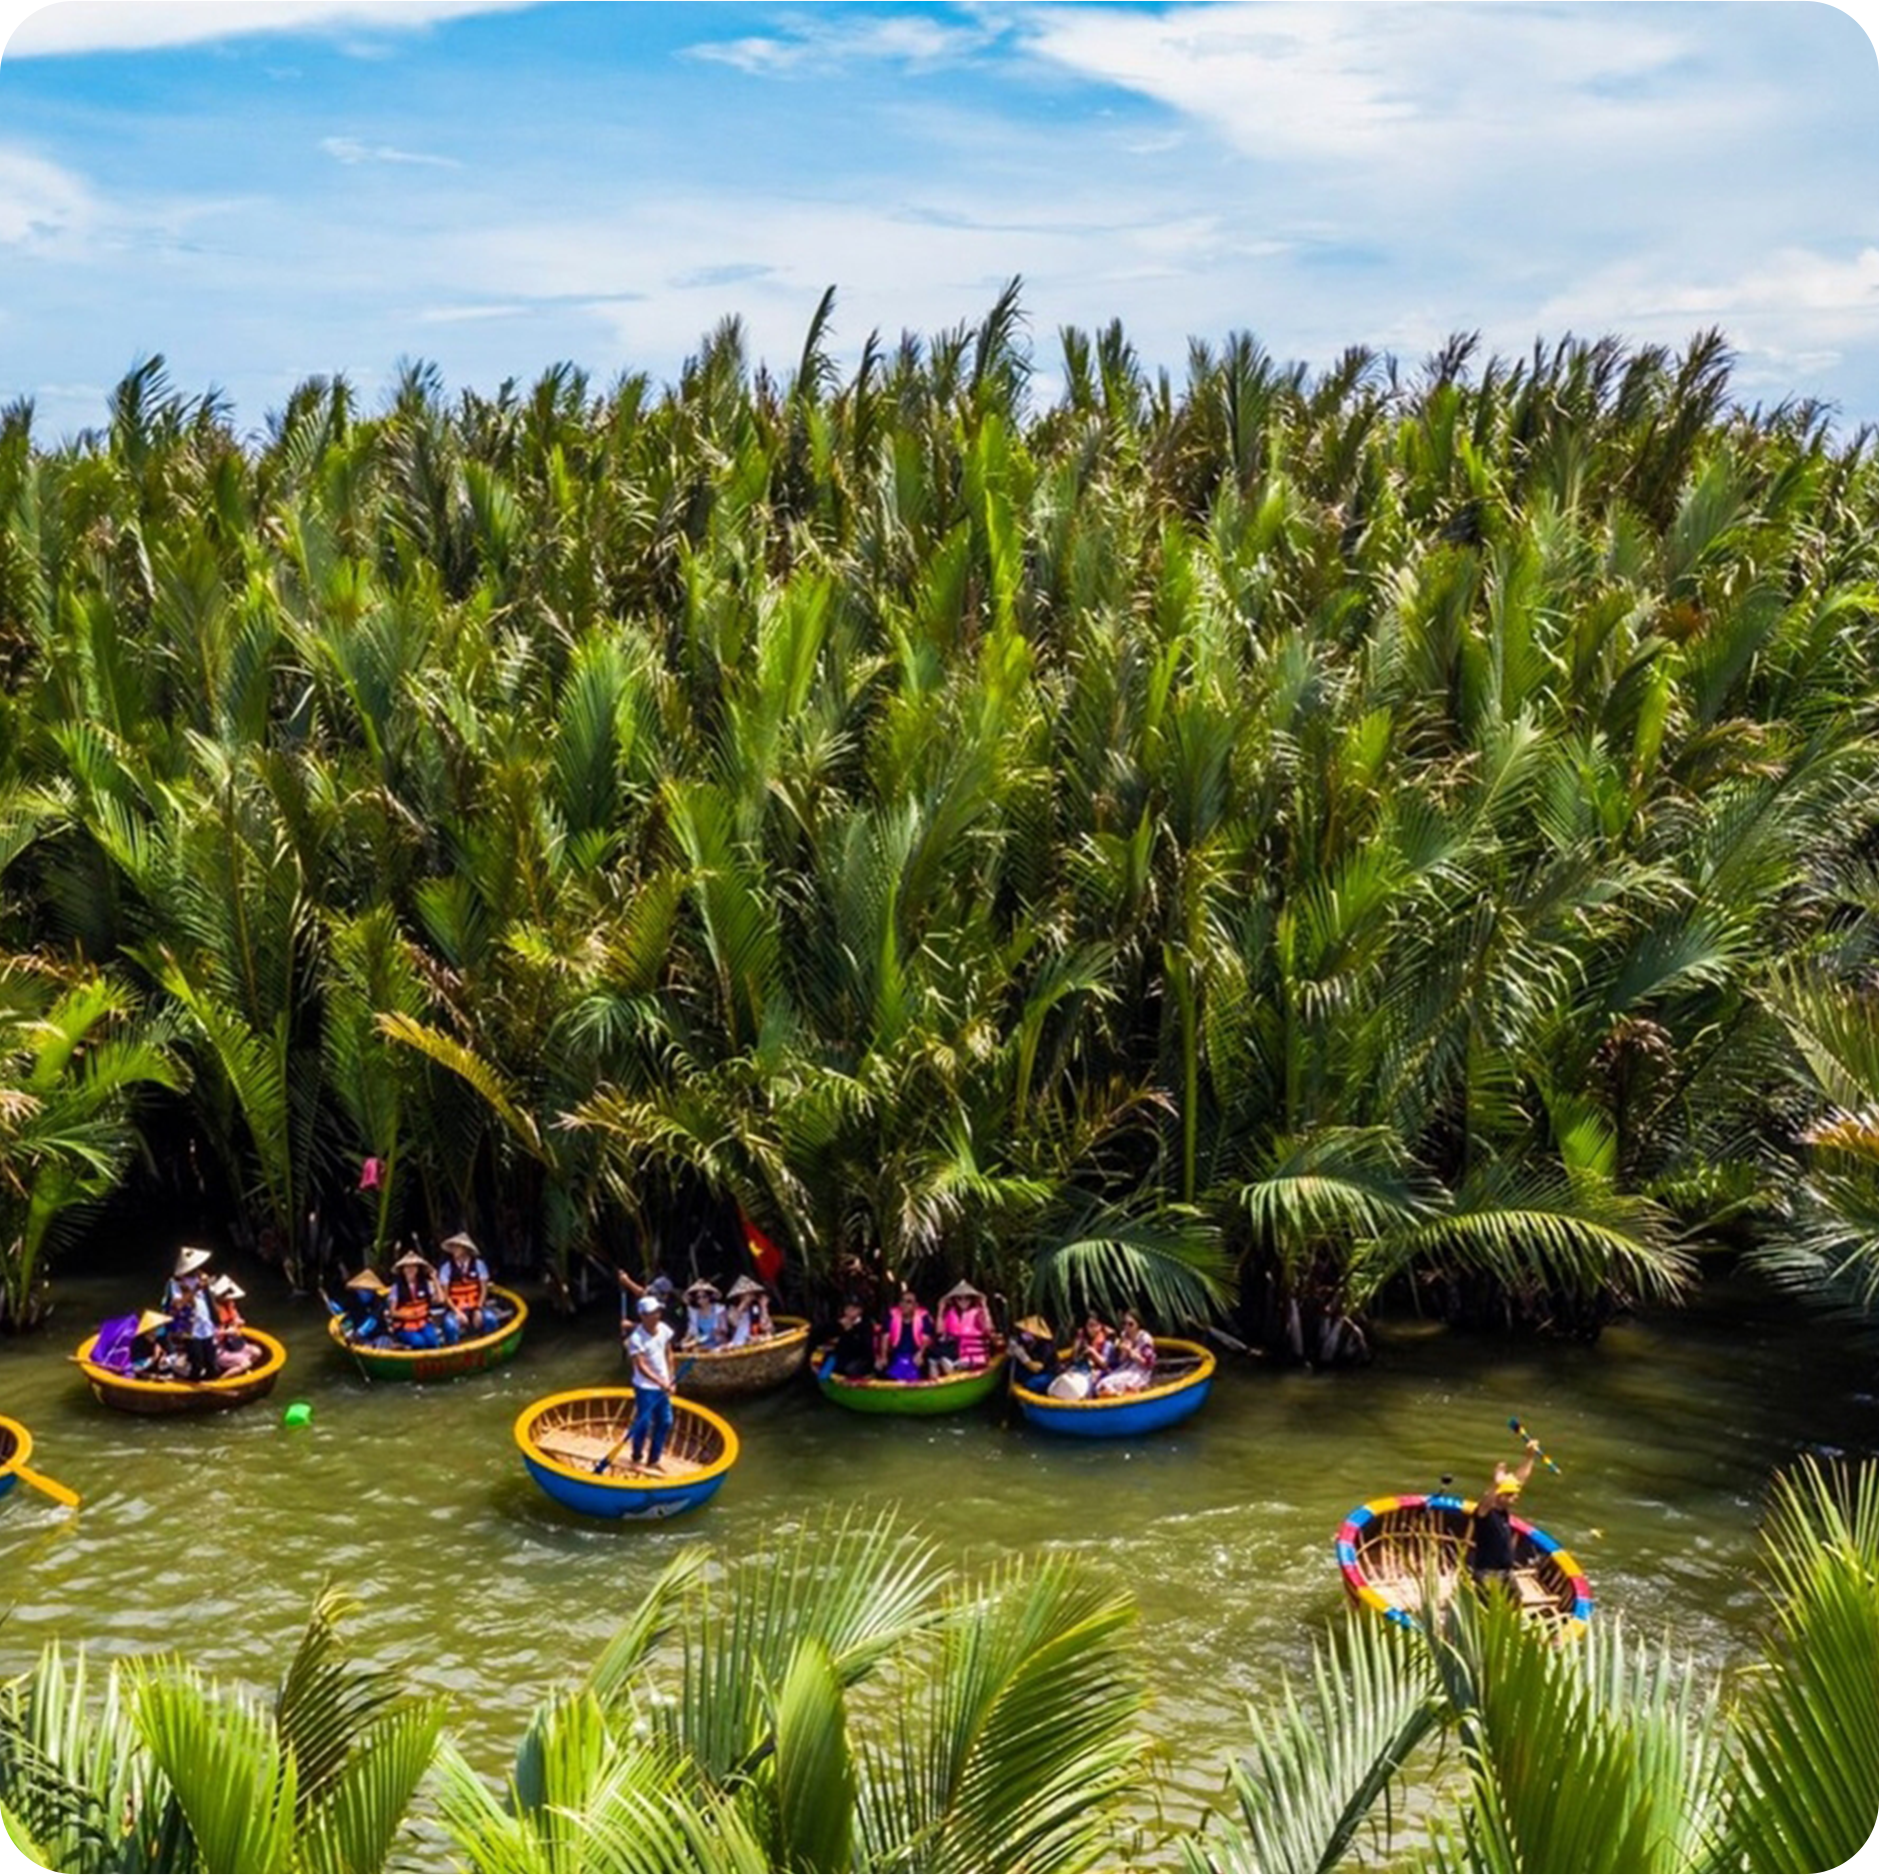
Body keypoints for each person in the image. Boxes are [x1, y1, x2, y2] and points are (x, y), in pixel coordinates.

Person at [1469, 1444, 1540, 1594]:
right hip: (1487, 1573)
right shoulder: (1485, 1514)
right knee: (1488, 1604)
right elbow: (1485, 1501)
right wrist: (1496, 1484)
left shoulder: (1503, 1511)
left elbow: (1520, 1479)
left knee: (1516, 1602)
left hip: (1506, 1571)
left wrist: (1529, 1457)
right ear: (1500, 1496)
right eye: (1511, 1495)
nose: (1516, 1497)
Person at [625, 1293, 678, 1471]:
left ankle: (654, 1459)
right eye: (652, 1313)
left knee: (666, 1421)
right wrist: (659, 1381)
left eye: (658, 1312)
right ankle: (636, 1456)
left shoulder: (663, 1329)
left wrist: (671, 1378)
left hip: (663, 1384)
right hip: (645, 1387)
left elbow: (668, 1353)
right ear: (643, 1316)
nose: (657, 1316)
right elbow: (641, 1366)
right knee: (644, 1422)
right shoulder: (636, 1338)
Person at [438, 1232, 500, 1337]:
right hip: (456, 1308)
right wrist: (458, 1312)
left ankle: (490, 1342)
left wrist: (478, 1309)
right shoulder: (446, 1268)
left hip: (476, 1305)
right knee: (450, 1326)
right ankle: (454, 1346)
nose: (454, 1250)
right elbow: (446, 1295)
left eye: (457, 1247)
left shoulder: (479, 1265)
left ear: (465, 1249)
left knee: (490, 1318)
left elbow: (484, 1290)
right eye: (453, 1247)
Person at [387, 1249, 452, 1350]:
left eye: (413, 1267)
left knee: (432, 1340)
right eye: (407, 1267)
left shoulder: (426, 1284)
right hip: (405, 1326)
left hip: (423, 1323)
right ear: (403, 1270)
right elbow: (392, 1312)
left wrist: (435, 1279)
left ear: (417, 1269)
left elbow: (441, 1299)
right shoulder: (396, 1288)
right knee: (419, 1341)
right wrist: (409, 1315)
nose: (410, 1270)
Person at [877, 1287, 934, 1382]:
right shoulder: (892, 1315)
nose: (904, 1304)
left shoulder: (923, 1317)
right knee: (882, 1368)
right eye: (902, 1301)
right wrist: (883, 1356)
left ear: (916, 1305)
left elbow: (927, 1339)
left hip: (916, 1354)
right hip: (895, 1353)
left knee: (921, 1367)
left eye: (909, 1302)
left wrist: (920, 1353)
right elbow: (885, 1337)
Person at [208, 1276, 261, 1376]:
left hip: (232, 1342)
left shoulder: (229, 1304)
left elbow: (236, 1318)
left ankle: (241, 1372)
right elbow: (209, 1334)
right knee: (245, 1363)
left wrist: (238, 1322)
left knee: (256, 1352)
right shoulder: (211, 1311)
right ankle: (222, 1381)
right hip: (217, 1347)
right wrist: (226, 1332)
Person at [937, 1281, 994, 1373]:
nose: (963, 1301)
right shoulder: (951, 1313)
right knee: (936, 1359)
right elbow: (939, 1331)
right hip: (958, 1357)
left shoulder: (978, 1313)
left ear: (972, 1299)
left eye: (967, 1298)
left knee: (958, 1364)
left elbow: (989, 1328)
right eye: (959, 1298)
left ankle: (956, 1368)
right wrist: (941, 1310)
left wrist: (984, 1306)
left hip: (977, 1359)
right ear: (955, 1300)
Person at [1096, 1308, 1156, 1396]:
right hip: (1126, 1367)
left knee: (1106, 1384)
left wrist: (1130, 1351)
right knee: (1101, 1384)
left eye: (1130, 1324)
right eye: (1124, 1324)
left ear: (1138, 1324)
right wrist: (1124, 1350)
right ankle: (1120, 1395)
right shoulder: (1124, 1335)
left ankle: (1125, 1394)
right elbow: (1121, 1360)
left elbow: (1148, 1363)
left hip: (1140, 1371)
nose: (1127, 1327)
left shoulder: (1144, 1338)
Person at [816, 1298, 876, 1379]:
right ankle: (823, 1379)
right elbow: (827, 1335)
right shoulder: (840, 1323)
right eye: (847, 1308)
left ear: (860, 1311)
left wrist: (851, 1331)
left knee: (850, 1369)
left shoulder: (865, 1325)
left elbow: (865, 1346)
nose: (849, 1311)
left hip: (859, 1357)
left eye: (853, 1309)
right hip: (842, 1355)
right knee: (829, 1360)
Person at [1009, 1314, 1060, 1391]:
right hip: (1030, 1370)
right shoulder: (1024, 1341)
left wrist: (1022, 1356)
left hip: (1048, 1372)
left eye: (1026, 1332)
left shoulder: (1046, 1346)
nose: (1023, 1333)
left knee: (1031, 1384)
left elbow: (1036, 1368)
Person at [341, 1269, 391, 1344]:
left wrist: (358, 1334)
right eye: (363, 1289)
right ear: (357, 1289)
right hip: (357, 1332)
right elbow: (347, 1318)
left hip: (378, 1334)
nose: (366, 1292)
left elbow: (373, 1320)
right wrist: (348, 1333)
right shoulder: (352, 1301)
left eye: (369, 1290)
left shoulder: (379, 1302)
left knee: (383, 1340)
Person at [725, 1275, 773, 1347]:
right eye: (746, 1294)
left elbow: (767, 1327)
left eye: (750, 1293)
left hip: (757, 1341)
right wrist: (743, 1304)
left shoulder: (757, 1307)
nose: (749, 1296)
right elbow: (733, 1321)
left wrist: (764, 1306)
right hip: (739, 1343)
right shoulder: (733, 1308)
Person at [682, 1281, 729, 1350]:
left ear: (709, 1296)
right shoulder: (694, 1313)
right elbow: (692, 1330)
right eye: (698, 1297)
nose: (701, 1300)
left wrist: (716, 1332)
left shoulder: (719, 1310)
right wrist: (684, 1341)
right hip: (701, 1344)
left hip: (719, 1344)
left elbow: (725, 1329)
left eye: (704, 1296)